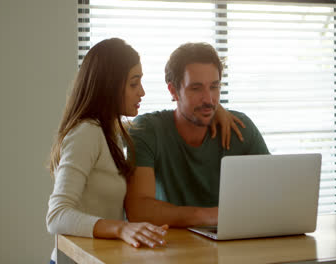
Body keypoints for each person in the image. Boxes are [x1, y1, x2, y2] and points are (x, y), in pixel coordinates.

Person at [46, 38, 244, 263]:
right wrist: (121, 229)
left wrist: (213, 109)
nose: (142, 92)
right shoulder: (86, 133)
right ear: (109, 86)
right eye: (133, 84)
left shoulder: (110, 130)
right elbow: (57, 215)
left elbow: (161, 125)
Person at [125, 42, 270, 228]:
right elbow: (138, 210)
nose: (208, 100)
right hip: (172, 249)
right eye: (196, 88)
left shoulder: (240, 128)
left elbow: (270, 196)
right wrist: (210, 216)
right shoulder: (149, 130)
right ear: (173, 91)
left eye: (214, 87)